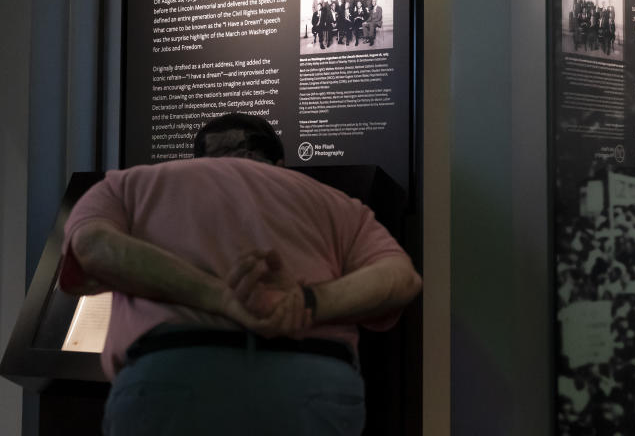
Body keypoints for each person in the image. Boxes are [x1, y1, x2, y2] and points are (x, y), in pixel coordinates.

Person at [58, 113, 422, 436]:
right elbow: (400, 277)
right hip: (311, 382)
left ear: (197, 158)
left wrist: (219, 297)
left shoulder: (127, 184)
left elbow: (91, 246)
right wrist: (307, 301)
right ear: (279, 163)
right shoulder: (338, 203)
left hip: (174, 376)